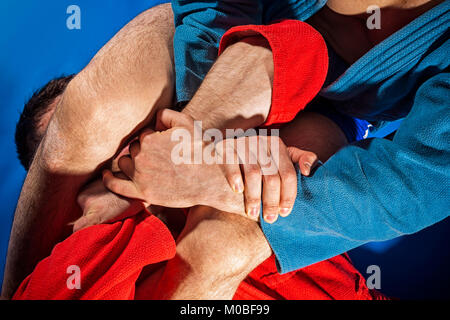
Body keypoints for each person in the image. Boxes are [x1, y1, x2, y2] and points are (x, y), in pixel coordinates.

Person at [3, 3, 383, 300]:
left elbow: (302, 49)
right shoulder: (80, 259)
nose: (136, 154)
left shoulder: (235, 143)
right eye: (102, 164)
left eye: (133, 133)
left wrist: (197, 140)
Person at [165, 0, 450, 273]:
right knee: (128, 125)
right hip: (234, 32)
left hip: (337, 112)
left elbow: (419, 184)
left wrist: (230, 185)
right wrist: (197, 118)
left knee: (216, 249)